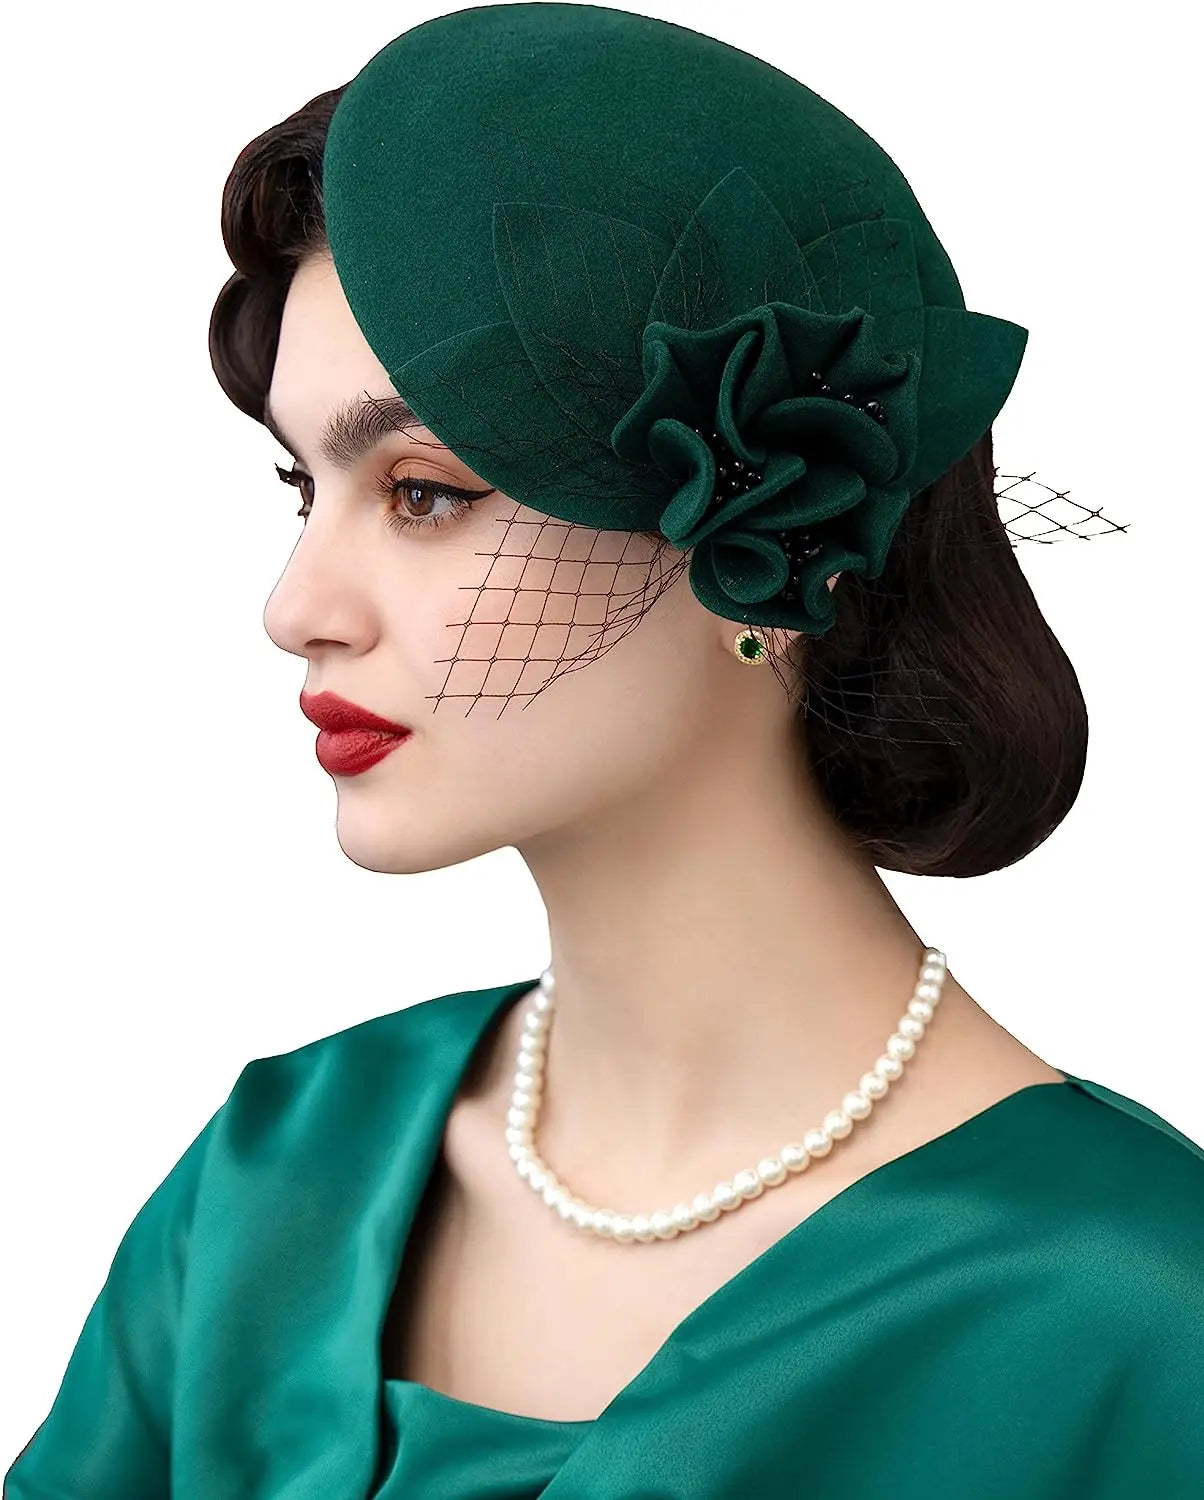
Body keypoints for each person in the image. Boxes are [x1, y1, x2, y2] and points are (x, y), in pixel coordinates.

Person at [6, 5, 1201, 1497]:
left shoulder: (1132, 1322)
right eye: (303, 490)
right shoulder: (271, 1185)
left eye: (425, 492)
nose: (294, 608)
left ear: (766, 539)